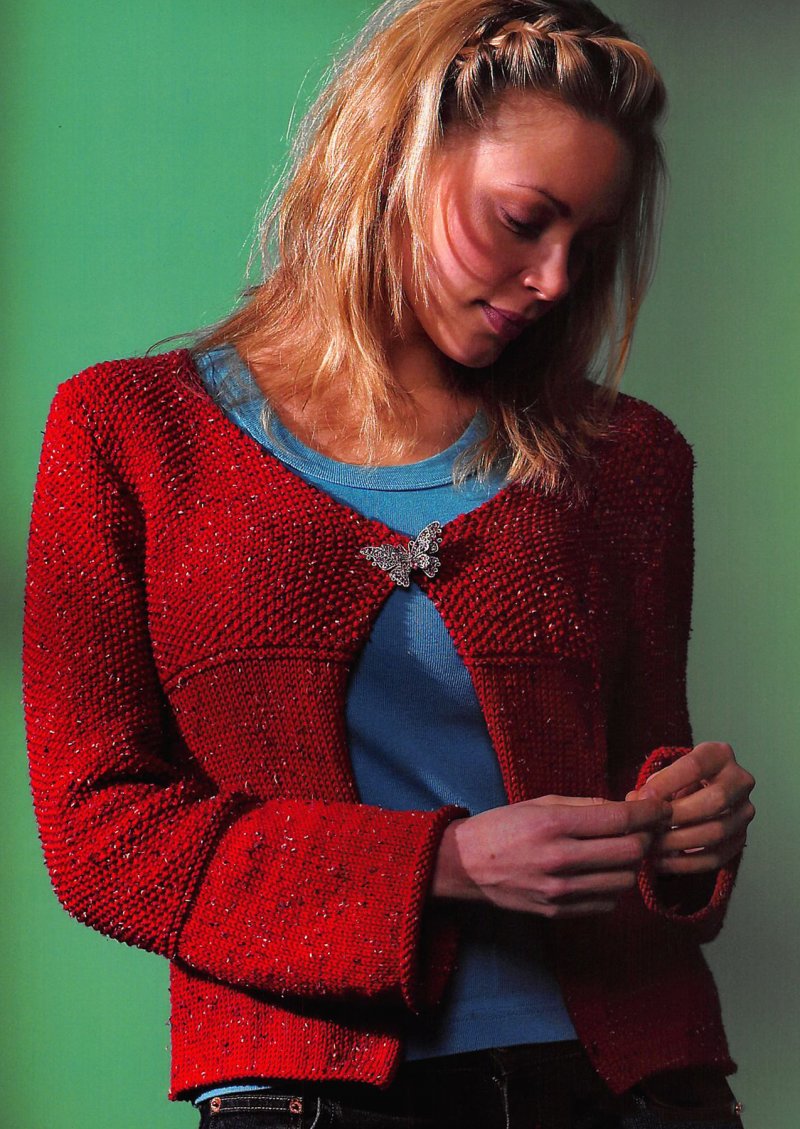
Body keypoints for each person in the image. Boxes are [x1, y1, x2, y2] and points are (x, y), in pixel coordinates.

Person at [22, 1, 756, 1126]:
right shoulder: (128, 434)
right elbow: (102, 837)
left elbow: (640, 773)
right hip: (309, 1091)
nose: (556, 279)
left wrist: (684, 825)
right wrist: (446, 864)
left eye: (588, 241)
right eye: (523, 221)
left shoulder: (629, 460)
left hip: (632, 1085)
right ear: (392, 157)